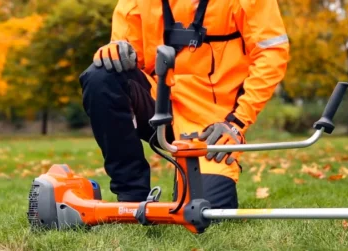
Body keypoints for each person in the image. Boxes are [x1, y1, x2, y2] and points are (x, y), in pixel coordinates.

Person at [79, 0, 289, 209]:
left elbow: (271, 56)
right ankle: (132, 198)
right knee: (102, 76)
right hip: (158, 106)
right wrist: (117, 51)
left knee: (204, 215)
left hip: (213, 125)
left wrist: (236, 123)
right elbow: (129, 61)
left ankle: (187, 183)